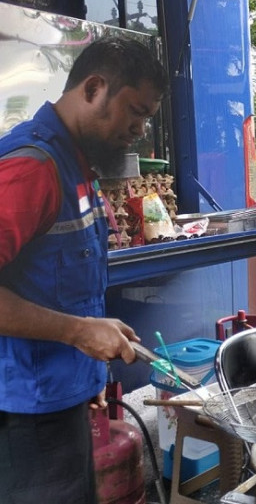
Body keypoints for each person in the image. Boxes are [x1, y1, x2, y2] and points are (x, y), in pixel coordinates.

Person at [0, 36, 167, 503]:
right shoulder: (32, 169)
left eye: (147, 118)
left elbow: (52, 284)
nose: (139, 129)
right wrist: (77, 333)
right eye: (135, 111)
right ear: (94, 88)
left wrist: (89, 347)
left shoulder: (76, 164)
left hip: (57, 400)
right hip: (26, 418)